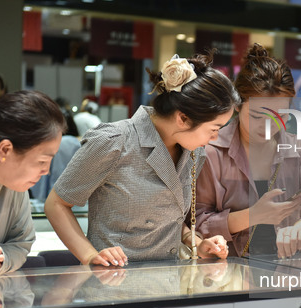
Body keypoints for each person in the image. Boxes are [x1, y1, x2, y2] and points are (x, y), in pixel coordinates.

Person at [44, 53, 240, 266]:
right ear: (183, 118)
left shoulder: (193, 152)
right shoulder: (114, 142)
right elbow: (56, 204)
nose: (215, 138)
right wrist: (90, 256)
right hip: (114, 284)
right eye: (214, 129)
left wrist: (196, 241)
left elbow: (169, 217)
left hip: (170, 282)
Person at [195, 43, 301, 258]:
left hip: (289, 272)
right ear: (237, 104)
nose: (269, 127)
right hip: (228, 275)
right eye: (258, 116)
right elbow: (195, 223)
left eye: (281, 117)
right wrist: (253, 215)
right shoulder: (211, 150)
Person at [0, 90, 65, 280]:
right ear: (5, 150)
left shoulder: (14, 184)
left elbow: (21, 241)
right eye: (41, 161)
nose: (46, 171)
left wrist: (2, 259)